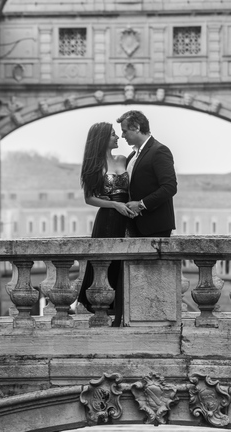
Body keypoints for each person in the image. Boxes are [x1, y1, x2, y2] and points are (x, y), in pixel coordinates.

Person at [77, 122, 136, 327]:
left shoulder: (123, 159)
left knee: (126, 264)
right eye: (113, 135)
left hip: (128, 217)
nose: (117, 137)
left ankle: (124, 311)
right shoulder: (94, 165)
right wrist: (114, 205)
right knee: (107, 264)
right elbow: (89, 199)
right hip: (108, 219)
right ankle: (107, 311)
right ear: (102, 139)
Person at [117, 110, 178, 238]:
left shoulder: (159, 151)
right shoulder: (132, 156)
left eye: (124, 131)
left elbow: (169, 187)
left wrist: (140, 205)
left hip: (155, 227)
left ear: (137, 128)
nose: (122, 136)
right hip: (133, 226)